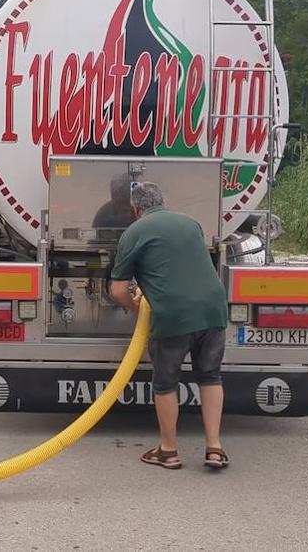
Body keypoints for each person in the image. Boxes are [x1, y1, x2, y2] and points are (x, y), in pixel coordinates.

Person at [108, 182, 230, 470]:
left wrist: (137, 307)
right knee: (211, 377)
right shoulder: (191, 223)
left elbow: (117, 291)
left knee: (165, 384)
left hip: (173, 314)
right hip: (213, 309)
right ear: (164, 200)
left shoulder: (134, 232)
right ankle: (214, 448)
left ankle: (168, 451)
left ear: (136, 209)